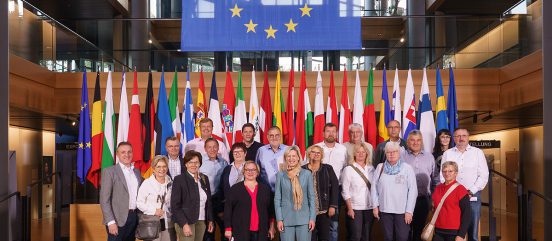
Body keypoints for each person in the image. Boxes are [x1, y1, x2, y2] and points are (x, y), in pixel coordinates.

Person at [441, 128, 489, 241]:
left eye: (464, 136)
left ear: (468, 137)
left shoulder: (477, 153)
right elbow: (442, 175)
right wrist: (452, 192)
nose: (461, 138)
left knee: (473, 232)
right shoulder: (447, 153)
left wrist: (470, 191)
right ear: (454, 138)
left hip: (472, 196)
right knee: (454, 231)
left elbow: (483, 175)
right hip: (452, 197)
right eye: (458, 136)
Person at [372, 142, 417, 241]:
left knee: (402, 238)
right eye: (389, 152)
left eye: (394, 151)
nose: (391, 154)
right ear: (385, 154)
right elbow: (374, 188)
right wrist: (375, 206)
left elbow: (413, 191)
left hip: (402, 212)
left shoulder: (407, 168)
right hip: (385, 210)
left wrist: (409, 211)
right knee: (388, 238)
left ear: (399, 153)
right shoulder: (380, 167)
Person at [100, 142, 144, 241]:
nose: (127, 155)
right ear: (117, 154)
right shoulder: (110, 172)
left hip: (134, 217)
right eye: (123, 152)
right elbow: (104, 200)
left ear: (132, 153)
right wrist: (110, 222)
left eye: (129, 152)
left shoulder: (137, 172)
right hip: (117, 219)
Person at [224, 161, 276, 241]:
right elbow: (228, 210)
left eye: (253, 170)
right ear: (243, 172)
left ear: (257, 172)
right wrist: (228, 228)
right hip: (240, 231)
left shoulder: (265, 189)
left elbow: (271, 211)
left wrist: (272, 227)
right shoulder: (235, 189)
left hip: (261, 232)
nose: (250, 172)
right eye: (247, 170)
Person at [275, 146, 316, 241]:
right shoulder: (280, 175)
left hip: (304, 218)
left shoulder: (307, 174)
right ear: (285, 158)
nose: (291, 159)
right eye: (288, 156)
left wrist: (312, 218)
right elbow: (277, 199)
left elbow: (311, 197)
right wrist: (279, 219)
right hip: (286, 219)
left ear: (298, 158)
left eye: (294, 156)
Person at [400, 130, 436, 241]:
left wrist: (433, 198)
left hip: (423, 200)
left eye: (418, 140)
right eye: (412, 140)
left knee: (419, 231)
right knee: (405, 231)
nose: (416, 143)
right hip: (405, 201)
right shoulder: (401, 156)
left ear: (422, 142)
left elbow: (434, 178)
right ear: (407, 142)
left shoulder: (429, 157)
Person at [171, 150, 214, 241]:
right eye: (190, 162)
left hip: (201, 220)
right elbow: (175, 205)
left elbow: (209, 201)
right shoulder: (179, 179)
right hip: (186, 221)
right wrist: (184, 224)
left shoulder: (204, 178)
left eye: (196, 162)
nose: (193, 165)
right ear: (186, 164)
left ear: (200, 164)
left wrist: (210, 220)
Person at [315, 123, 348, 241]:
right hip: (317, 189)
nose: (331, 134)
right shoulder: (316, 148)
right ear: (323, 133)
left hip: (336, 190)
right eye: (328, 131)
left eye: (333, 131)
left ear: (337, 133)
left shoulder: (343, 149)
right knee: (318, 223)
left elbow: (345, 170)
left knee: (334, 224)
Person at [302, 145, 339, 241]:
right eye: (313, 152)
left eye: (318, 153)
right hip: (307, 212)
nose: (316, 154)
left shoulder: (328, 169)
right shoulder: (302, 170)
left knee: (324, 237)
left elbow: (335, 187)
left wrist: (333, 206)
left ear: (322, 155)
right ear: (309, 154)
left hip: (324, 210)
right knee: (310, 238)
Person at [341, 142, 375, 241]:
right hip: (355, 208)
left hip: (369, 208)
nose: (361, 154)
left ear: (367, 154)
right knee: (355, 236)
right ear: (354, 154)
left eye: (363, 152)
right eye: (358, 152)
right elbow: (345, 191)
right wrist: (350, 208)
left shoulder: (371, 169)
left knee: (367, 236)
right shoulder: (348, 169)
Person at [432, 161, 472, 241]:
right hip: (438, 230)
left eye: (450, 171)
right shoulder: (437, 188)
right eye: (444, 171)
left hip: (454, 232)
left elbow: (467, 214)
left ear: (456, 173)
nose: (447, 173)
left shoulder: (461, 190)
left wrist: (461, 235)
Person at [137, 155, 173, 241]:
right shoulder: (147, 183)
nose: (162, 169)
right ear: (153, 168)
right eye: (159, 167)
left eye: (164, 166)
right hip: (151, 223)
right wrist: (154, 211)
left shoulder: (171, 183)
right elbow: (139, 203)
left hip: (168, 223)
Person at [200, 138, 228, 241]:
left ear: (218, 148)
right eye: (209, 147)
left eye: (215, 147)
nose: (212, 149)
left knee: (225, 230)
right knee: (209, 232)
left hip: (219, 201)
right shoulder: (200, 161)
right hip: (206, 202)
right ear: (205, 148)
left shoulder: (224, 162)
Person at [256, 126, 288, 192]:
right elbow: (256, 171)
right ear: (267, 137)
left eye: (277, 135)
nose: (274, 138)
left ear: (280, 136)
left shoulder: (288, 149)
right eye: (271, 135)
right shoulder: (261, 150)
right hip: (265, 191)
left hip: (285, 191)